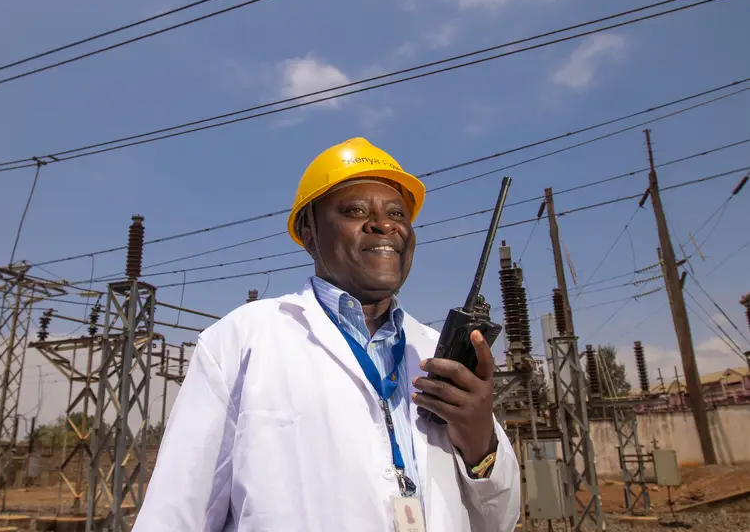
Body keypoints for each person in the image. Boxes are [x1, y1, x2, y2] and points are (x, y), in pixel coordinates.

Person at [132, 137, 520, 531]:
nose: (384, 224)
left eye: (398, 214)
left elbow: (499, 520)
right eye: (354, 210)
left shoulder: (435, 352)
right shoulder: (242, 339)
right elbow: (175, 514)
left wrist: (480, 443)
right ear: (308, 230)